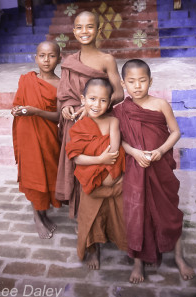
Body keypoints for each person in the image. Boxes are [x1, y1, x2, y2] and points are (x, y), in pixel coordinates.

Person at [113, 59, 195, 283]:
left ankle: (178, 256)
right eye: (131, 81)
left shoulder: (160, 105)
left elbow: (175, 132)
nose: (137, 86)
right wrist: (134, 153)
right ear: (123, 83)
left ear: (151, 81)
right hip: (135, 167)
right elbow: (119, 141)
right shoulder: (120, 110)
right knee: (136, 214)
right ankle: (138, 263)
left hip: (160, 167)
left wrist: (159, 151)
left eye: (142, 80)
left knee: (169, 212)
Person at [56, 11, 124, 218]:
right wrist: (67, 106)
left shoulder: (106, 59)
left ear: (99, 30)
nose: (84, 31)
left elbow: (119, 92)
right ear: (74, 31)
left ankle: (103, 218)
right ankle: (82, 216)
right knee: (78, 164)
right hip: (75, 124)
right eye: (79, 27)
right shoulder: (69, 61)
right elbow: (64, 93)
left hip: (100, 124)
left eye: (90, 26)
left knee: (98, 168)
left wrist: (94, 107)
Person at [65, 78, 127, 269]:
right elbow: (76, 158)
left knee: (118, 217)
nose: (97, 104)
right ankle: (94, 251)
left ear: (109, 103)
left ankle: (124, 244)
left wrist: (103, 159)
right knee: (91, 219)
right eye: (92, 98)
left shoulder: (113, 122)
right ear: (83, 99)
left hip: (114, 181)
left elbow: (114, 152)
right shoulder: (79, 127)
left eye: (102, 100)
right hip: (91, 184)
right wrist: (99, 160)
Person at [11, 41, 62, 239]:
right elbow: (17, 104)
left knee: (48, 173)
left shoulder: (60, 84)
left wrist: (37, 112)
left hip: (48, 135)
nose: (46, 60)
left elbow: (59, 117)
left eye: (51, 56)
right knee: (33, 175)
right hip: (27, 134)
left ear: (59, 58)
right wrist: (17, 110)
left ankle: (43, 213)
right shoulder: (26, 80)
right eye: (42, 55)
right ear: (35, 58)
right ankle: (37, 217)